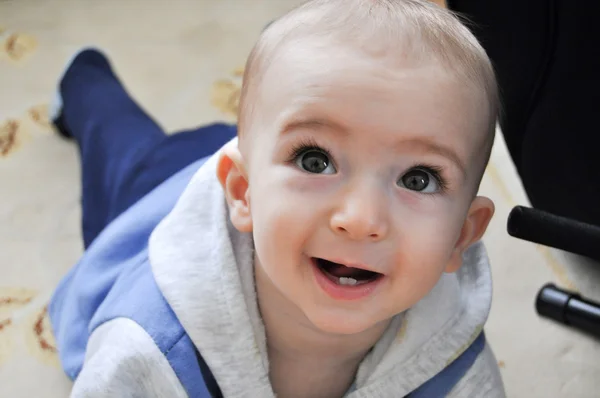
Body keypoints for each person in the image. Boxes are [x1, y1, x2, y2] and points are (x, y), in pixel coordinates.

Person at [48, 0, 505, 396]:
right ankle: (83, 80)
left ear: (460, 237)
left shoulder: (455, 359)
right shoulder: (143, 352)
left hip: (264, 165)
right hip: (156, 187)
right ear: (243, 191)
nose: (361, 218)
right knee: (116, 138)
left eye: (419, 178)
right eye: (314, 160)